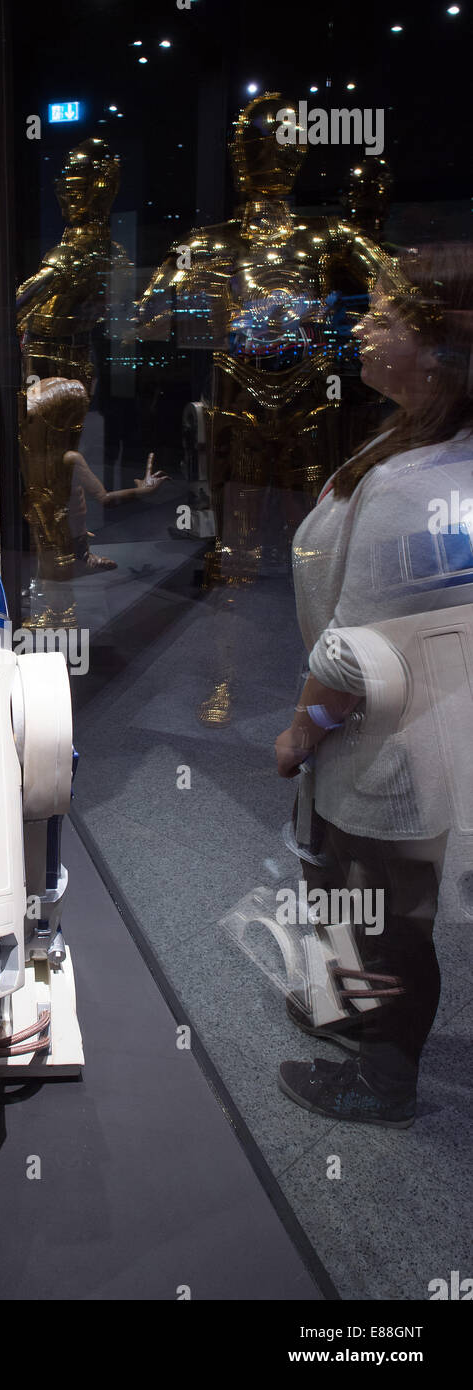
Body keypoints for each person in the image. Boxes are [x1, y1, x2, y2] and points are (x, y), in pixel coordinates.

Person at [274, 244, 473, 1126]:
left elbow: (356, 660)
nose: (359, 324)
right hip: (420, 730)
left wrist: (301, 730)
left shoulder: (411, 482)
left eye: (383, 317)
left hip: (388, 741)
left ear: (437, 353)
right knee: (364, 890)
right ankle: (349, 1007)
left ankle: (383, 1076)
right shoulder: (421, 443)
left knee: (389, 909)